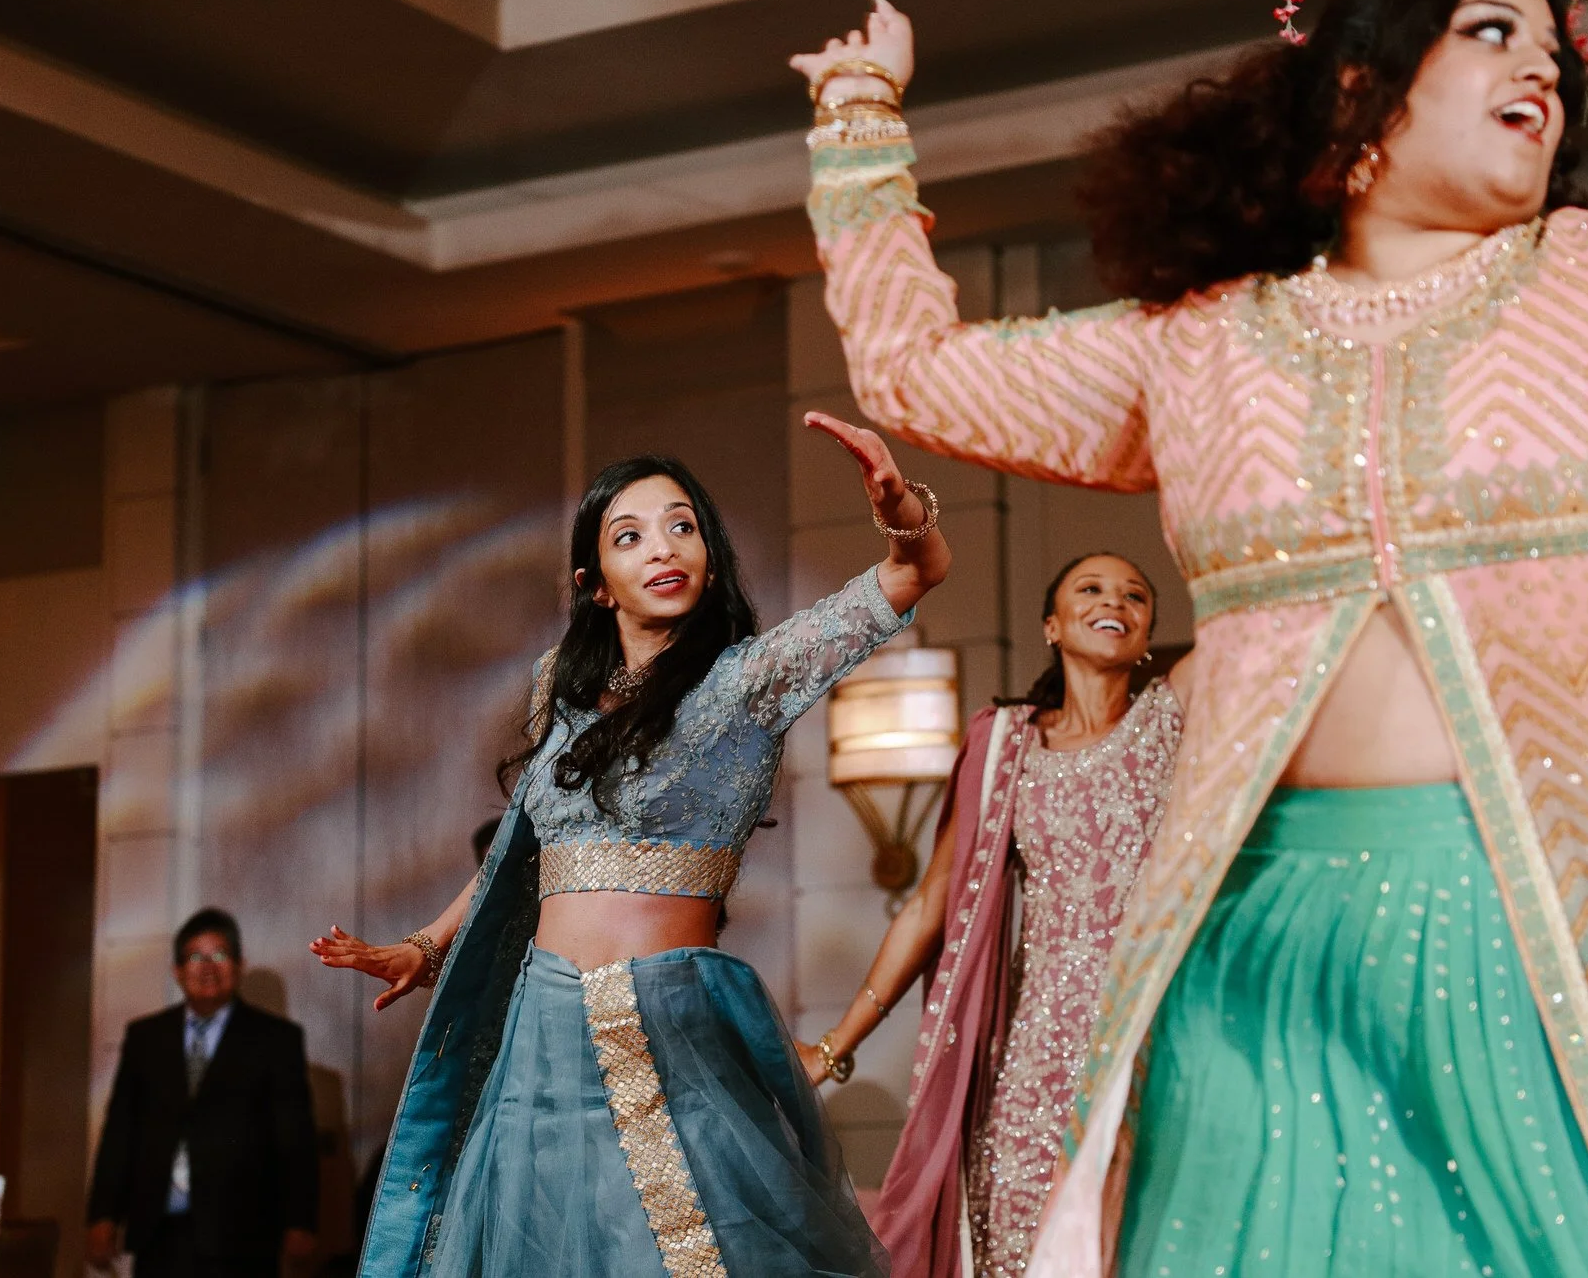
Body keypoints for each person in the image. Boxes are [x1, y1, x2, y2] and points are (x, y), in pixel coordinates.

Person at [794, 0, 1588, 1273]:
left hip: (1547, 930)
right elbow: (916, 371)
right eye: (1493, 30)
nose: (1541, 66)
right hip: (1252, 933)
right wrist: (859, 115)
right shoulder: (1203, 342)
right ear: (1359, 88)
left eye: (1553, 50)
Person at [312, 412, 950, 1276]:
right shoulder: (558, 687)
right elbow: (528, 842)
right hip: (543, 1027)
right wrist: (427, 944)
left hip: (669, 1018)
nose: (663, 548)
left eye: (683, 527)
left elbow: (916, 571)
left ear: (709, 558)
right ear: (597, 584)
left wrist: (898, 505)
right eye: (631, 535)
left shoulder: (749, 679)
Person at [807, 554, 1186, 1276]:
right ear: (1052, 626)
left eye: (1136, 596)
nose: (1115, 601)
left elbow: (1248, 626)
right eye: (1091, 588)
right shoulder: (1009, 746)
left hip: (1153, 1033)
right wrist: (833, 1046)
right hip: (1035, 1060)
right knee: (1019, 1243)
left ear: (1145, 638)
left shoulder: (1173, 716)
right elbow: (929, 905)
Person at [86, 908, 318, 1278]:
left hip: (244, 1237)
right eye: (195, 957)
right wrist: (103, 1215)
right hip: (158, 1234)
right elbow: (120, 1132)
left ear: (239, 966)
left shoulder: (276, 1040)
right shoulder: (146, 1038)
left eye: (219, 955)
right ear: (177, 970)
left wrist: (301, 1222)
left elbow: (296, 1138)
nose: (208, 967)